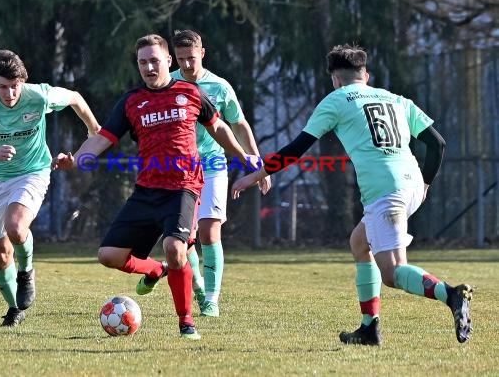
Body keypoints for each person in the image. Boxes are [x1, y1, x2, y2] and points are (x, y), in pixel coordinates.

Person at [231, 44, 473, 345]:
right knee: (360, 243)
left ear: (335, 78)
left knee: (393, 273)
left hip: (386, 191)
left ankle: (451, 294)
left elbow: (295, 150)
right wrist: (424, 184)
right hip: (410, 183)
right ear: (366, 75)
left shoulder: (336, 100)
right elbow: (437, 144)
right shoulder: (395, 98)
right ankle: (369, 328)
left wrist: (256, 175)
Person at [52, 34, 258, 340]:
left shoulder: (191, 92)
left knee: (175, 248)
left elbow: (219, 127)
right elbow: (102, 138)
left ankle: (186, 322)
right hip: (147, 191)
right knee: (108, 256)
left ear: (167, 61)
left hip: (184, 187)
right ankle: (153, 270)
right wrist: (76, 159)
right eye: (143, 62)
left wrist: (244, 157)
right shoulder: (132, 102)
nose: (149, 67)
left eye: (154, 60)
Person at [0, 49, 101, 327]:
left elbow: (75, 98)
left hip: (34, 171)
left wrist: (94, 130)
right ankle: (15, 308)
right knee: (1, 257)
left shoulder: (39, 95)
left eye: (15, 86)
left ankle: (26, 272)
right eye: (3, 87)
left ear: (23, 82)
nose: (10, 94)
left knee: (16, 226)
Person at [170, 29, 271, 317]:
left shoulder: (219, 87)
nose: (187, 65)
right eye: (181, 59)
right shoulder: (170, 83)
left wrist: (257, 162)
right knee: (185, 237)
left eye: (191, 57)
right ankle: (199, 289)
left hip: (213, 164)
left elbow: (238, 124)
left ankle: (212, 299)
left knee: (210, 231)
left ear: (202, 52)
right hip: (179, 168)